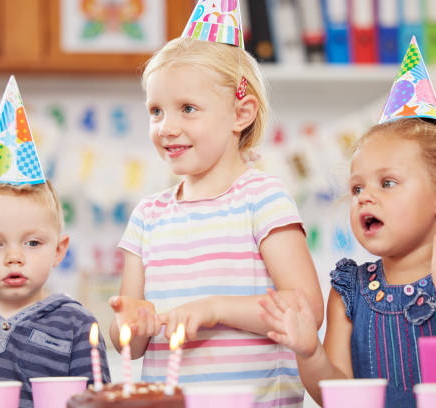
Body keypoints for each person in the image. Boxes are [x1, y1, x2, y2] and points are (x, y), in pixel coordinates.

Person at [258, 37, 436, 408]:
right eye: (357, 187)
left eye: (387, 183)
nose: (364, 196)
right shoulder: (349, 291)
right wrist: (310, 353)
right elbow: (336, 395)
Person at [108, 2, 323, 407]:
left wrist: (215, 308)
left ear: (241, 113)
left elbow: (307, 310)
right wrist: (130, 325)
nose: (167, 127)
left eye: (187, 109)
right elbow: (130, 346)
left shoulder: (262, 199)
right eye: (156, 111)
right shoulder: (147, 218)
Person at [0, 76, 110, 408]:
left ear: (58, 250)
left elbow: (100, 401)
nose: (15, 257)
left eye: (32, 243)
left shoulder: (79, 327)